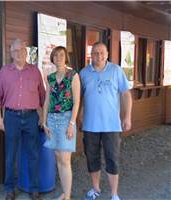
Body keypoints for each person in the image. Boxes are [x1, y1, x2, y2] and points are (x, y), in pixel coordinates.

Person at [79, 42, 132, 200]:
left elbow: (125, 94)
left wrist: (127, 116)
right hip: (90, 125)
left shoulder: (116, 70)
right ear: (91, 55)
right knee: (92, 158)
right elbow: (78, 97)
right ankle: (95, 189)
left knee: (112, 158)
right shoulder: (84, 73)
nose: (98, 56)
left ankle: (114, 194)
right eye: (95, 53)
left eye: (101, 52)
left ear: (107, 54)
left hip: (111, 125)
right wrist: (78, 118)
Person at [0, 39, 45, 200]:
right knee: (11, 155)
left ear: (26, 51)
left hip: (31, 117)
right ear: (11, 53)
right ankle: (10, 189)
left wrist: (43, 117)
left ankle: (34, 189)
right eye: (15, 50)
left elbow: (43, 97)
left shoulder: (35, 71)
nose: (19, 53)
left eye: (22, 49)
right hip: (11, 117)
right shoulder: (4, 72)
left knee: (33, 154)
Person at [42, 46, 80, 200]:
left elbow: (77, 102)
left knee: (65, 158)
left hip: (66, 119)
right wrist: (44, 123)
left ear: (66, 57)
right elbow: (47, 100)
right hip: (52, 119)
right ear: (52, 58)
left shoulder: (73, 75)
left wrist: (71, 124)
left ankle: (68, 195)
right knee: (58, 156)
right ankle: (65, 192)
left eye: (61, 55)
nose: (58, 57)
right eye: (55, 55)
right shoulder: (50, 77)